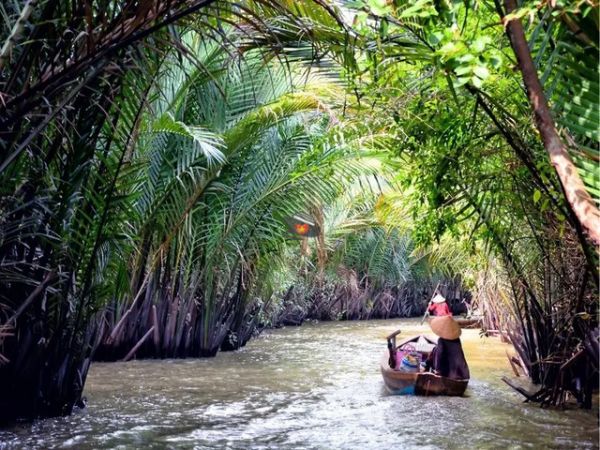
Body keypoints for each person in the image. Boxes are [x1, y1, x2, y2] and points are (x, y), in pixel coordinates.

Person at [425, 315, 470, 380]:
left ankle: (426, 368)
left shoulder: (441, 341)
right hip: (463, 374)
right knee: (434, 349)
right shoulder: (457, 340)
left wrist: (438, 372)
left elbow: (440, 355)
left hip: (447, 375)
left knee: (434, 350)